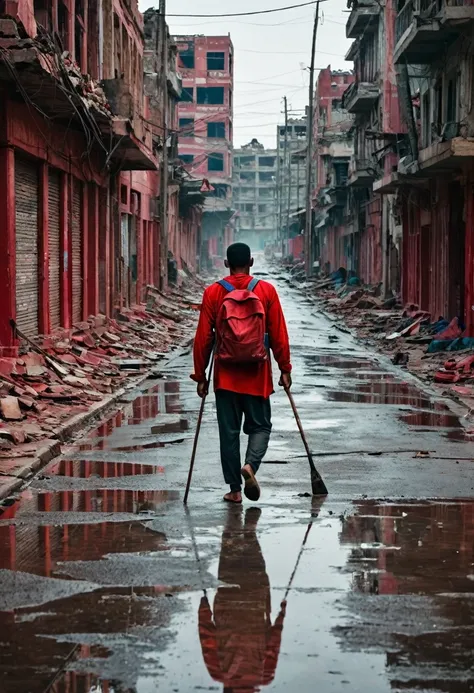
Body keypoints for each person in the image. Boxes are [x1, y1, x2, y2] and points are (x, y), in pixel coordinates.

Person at [191, 243, 292, 504]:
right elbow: (279, 333)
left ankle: (234, 490)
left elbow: (203, 338)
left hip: (225, 377)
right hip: (257, 374)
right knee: (261, 426)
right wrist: (285, 368)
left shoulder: (213, 293)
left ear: (226, 263)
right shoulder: (266, 290)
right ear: (252, 261)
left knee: (229, 432)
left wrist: (200, 375)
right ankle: (251, 465)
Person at [198, 507, 286, 691]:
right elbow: (207, 637)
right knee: (229, 556)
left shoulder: (265, 676)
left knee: (255, 565)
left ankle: (250, 534)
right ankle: (234, 527)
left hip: (256, 602)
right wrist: (204, 610)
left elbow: (274, 642)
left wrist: (281, 615)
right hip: (227, 602)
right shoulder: (219, 673)